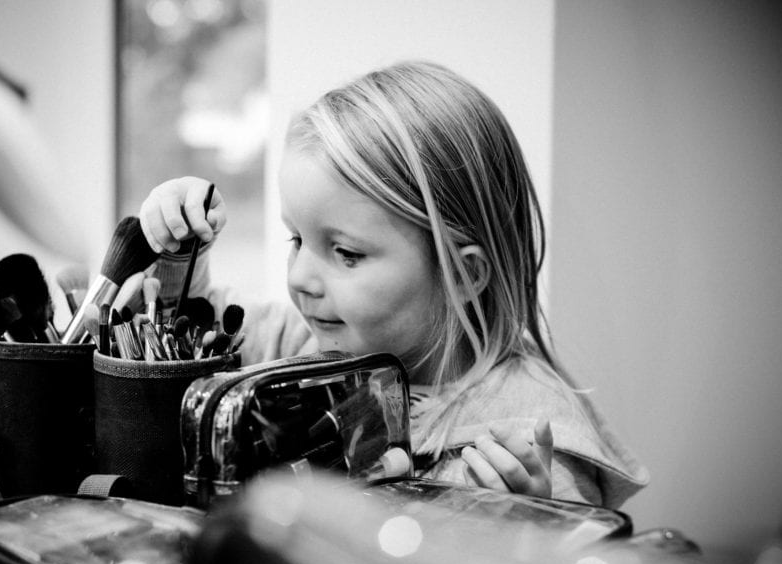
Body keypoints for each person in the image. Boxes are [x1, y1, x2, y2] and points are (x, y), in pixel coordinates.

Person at [138, 61, 649, 509]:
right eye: (297, 239)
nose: (299, 278)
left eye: (347, 253)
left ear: (465, 274)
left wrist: (531, 521)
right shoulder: (304, 346)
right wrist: (177, 251)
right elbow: (193, 332)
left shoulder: (531, 438)